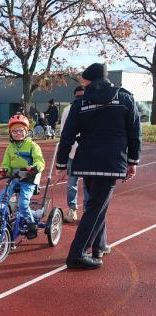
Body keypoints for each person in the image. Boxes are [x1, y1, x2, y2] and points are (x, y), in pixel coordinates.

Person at [56, 63, 141, 269]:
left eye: (84, 80)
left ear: (89, 79)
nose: (83, 84)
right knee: (95, 208)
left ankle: (99, 246)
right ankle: (77, 254)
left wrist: (61, 163)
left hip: (86, 161)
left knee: (96, 205)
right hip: (112, 162)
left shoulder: (80, 102)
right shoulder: (126, 98)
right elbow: (134, 133)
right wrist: (132, 161)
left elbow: (66, 136)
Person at [0, 114, 46, 239]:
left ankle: (31, 224)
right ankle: (0, 219)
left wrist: (34, 167)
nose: (17, 133)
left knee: (23, 204)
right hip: (14, 178)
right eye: (14, 131)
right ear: (10, 133)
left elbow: (40, 161)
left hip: (28, 179)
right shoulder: (9, 148)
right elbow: (6, 164)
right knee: (2, 199)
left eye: (20, 130)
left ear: (26, 131)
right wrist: (4, 170)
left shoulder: (33, 146)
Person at [59, 85, 88, 222]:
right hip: (72, 153)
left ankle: (88, 212)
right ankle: (72, 209)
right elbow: (64, 133)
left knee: (89, 184)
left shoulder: (94, 108)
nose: (81, 99)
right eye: (78, 96)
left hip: (89, 153)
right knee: (72, 183)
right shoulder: (67, 110)